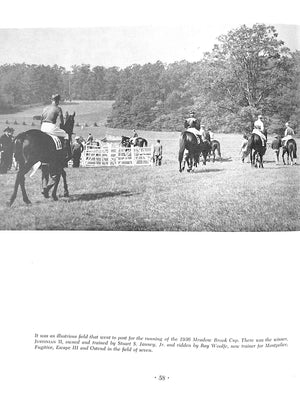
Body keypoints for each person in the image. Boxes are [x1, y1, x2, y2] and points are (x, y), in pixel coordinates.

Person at [41, 94, 72, 159]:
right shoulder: (58, 108)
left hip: (43, 127)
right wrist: (62, 127)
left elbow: (41, 120)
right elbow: (61, 122)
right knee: (66, 135)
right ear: (58, 101)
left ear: (51, 100)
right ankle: (67, 154)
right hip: (51, 127)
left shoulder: (45, 108)